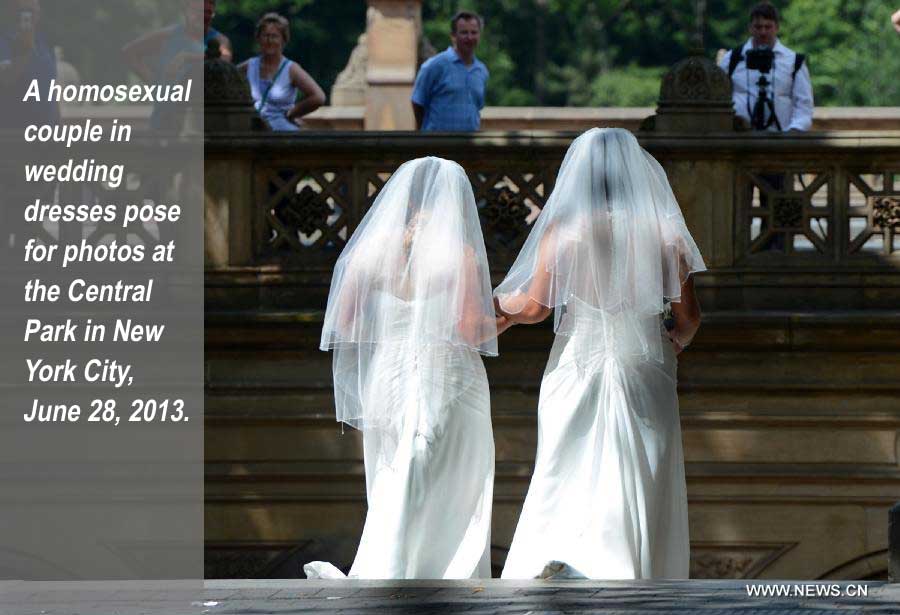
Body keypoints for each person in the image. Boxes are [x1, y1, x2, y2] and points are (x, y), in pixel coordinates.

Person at [494, 128, 706, 580]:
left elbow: (536, 307)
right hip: (644, 360)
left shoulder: (564, 231)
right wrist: (676, 341)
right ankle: (635, 570)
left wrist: (502, 309)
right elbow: (688, 316)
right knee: (642, 468)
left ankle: (561, 559)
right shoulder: (664, 233)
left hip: (578, 359)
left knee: (564, 466)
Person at [307, 157, 503, 579]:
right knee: (452, 474)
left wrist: (394, 318)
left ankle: (391, 561)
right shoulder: (459, 254)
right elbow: (470, 329)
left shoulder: (371, 251)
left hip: (388, 373)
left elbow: (344, 323)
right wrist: (507, 315)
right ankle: (432, 568)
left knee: (397, 465)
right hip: (446, 375)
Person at [718, 2, 813, 132]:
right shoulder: (731, 59)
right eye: (758, 27)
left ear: (777, 28)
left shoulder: (794, 61)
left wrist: (794, 131)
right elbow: (718, 99)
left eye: (768, 27)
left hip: (781, 139)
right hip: (739, 139)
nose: (763, 32)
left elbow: (804, 106)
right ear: (750, 28)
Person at [238, 13, 325, 132]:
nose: (269, 40)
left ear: (284, 40)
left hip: (282, 134)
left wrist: (293, 113)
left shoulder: (291, 69)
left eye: (274, 36)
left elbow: (318, 97)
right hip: (253, 132)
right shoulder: (248, 66)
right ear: (258, 38)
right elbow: (226, 80)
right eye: (265, 36)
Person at [411, 11, 488, 131]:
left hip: (469, 146)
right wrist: (425, 136)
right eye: (464, 33)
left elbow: (477, 107)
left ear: (479, 35)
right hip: (437, 144)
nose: (469, 37)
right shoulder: (435, 65)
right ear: (453, 36)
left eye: (474, 32)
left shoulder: (481, 71)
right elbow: (417, 102)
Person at [0, 0, 59, 131]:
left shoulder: (44, 42)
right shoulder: (4, 42)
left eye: (34, 7)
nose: (31, 14)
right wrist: (23, 51)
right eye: (25, 10)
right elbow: (6, 79)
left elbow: (52, 88)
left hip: (47, 132)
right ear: (12, 9)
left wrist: (57, 124)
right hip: (17, 133)